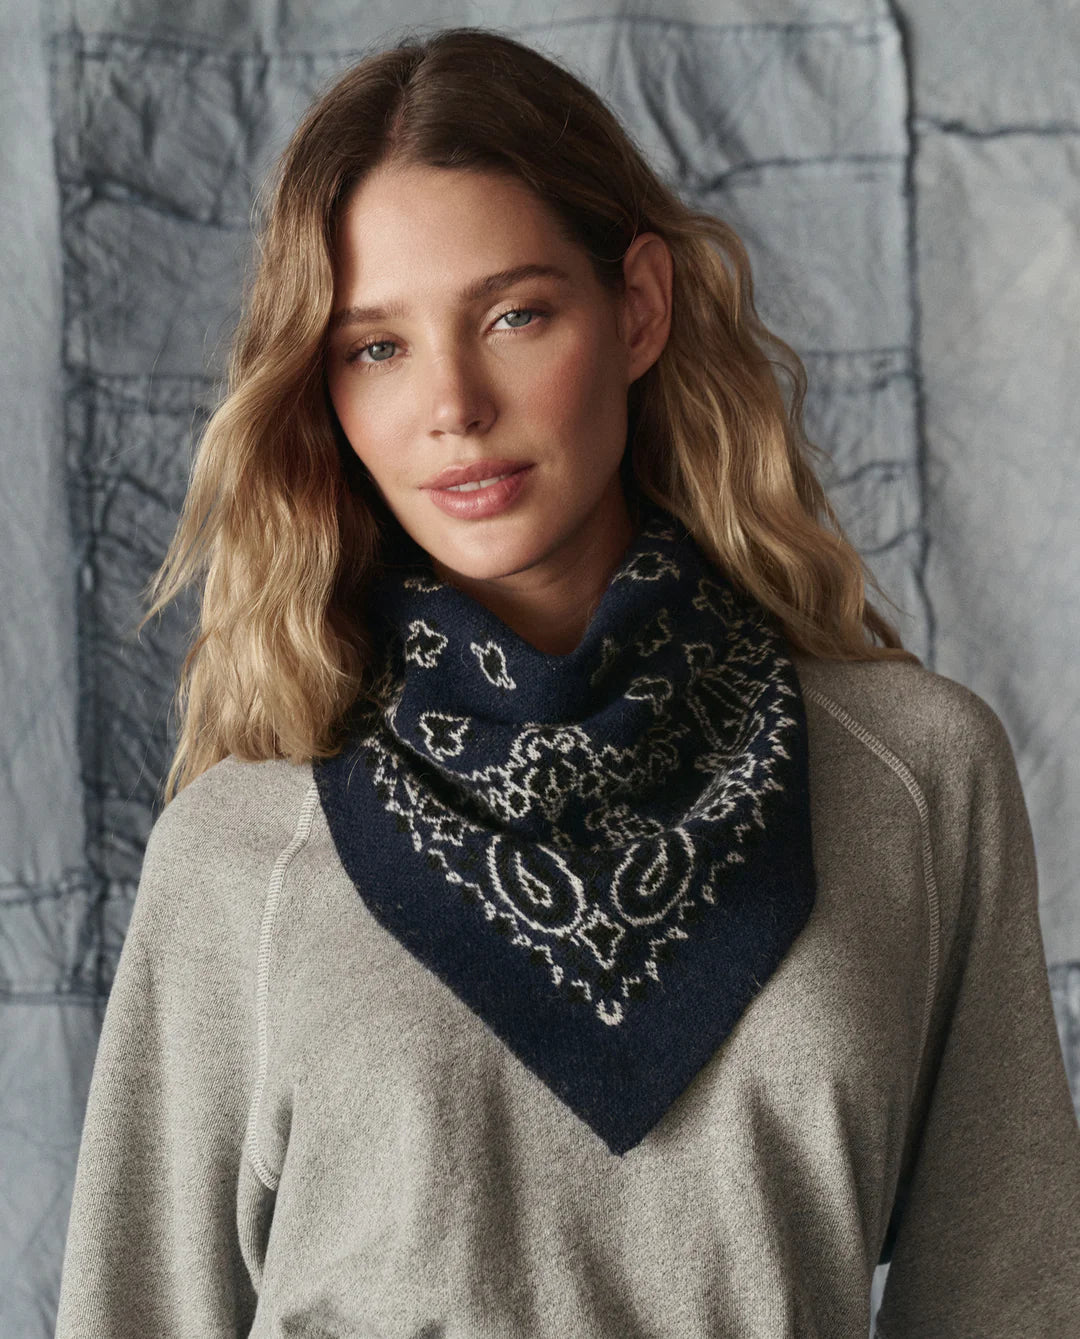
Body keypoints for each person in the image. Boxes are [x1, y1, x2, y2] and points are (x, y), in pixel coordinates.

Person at [54, 25, 1080, 1339]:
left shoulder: (915, 779)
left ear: (638, 307)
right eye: (376, 347)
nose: (455, 405)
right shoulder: (241, 851)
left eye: (513, 315)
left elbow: (1016, 1296)